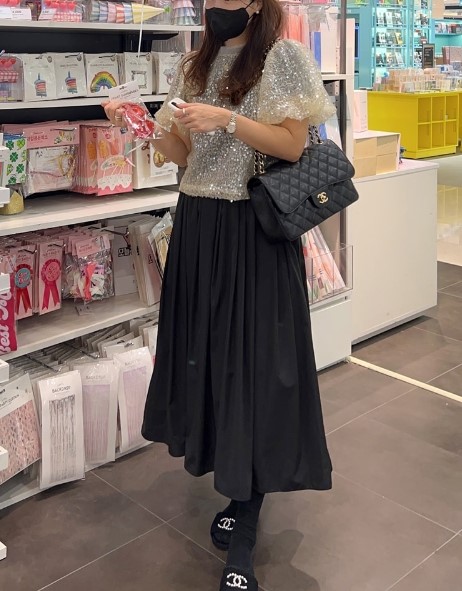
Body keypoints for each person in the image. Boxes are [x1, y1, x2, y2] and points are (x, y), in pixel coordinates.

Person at [104, 1, 335, 588]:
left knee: (254, 369)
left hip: (253, 230)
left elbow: (292, 145)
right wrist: (139, 125)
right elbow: (186, 157)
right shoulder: (193, 65)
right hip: (199, 226)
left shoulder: (282, 57)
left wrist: (227, 120)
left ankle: (247, 517)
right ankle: (235, 487)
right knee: (209, 361)